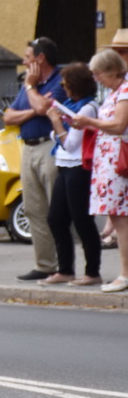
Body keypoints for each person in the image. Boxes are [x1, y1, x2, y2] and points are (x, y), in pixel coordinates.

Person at [2, 37, 68, 282]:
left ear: (40, 59)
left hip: (49, 146)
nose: (24, 61)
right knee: (33, 208)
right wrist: (32, 106)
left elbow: (45, 108)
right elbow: (8, 117)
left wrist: (31, 90)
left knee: (56, 209)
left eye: (28, 57)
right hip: (28, 148)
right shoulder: (30, 84)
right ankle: (44, 264)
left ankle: (65, 265)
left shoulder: (59, 81)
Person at [70, 49, 128, 292]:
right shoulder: (115, 92)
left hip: (117, 162)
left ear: (112, 70)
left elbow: (118, 125)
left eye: (98, 73)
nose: (96, 79)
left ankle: (125, 273)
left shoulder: (124, 91)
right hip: (108, 162)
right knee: (116, 217)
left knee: (120, 218)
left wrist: (90, 123)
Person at [44, 62, 102, 287]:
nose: (64, 87)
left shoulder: (87, 108)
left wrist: (57, 125)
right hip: (64, 166)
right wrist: (58, 130)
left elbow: (70, 143)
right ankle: (65, 269)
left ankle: (92, 271)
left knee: (82, 220)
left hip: (79, 167)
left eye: (67, 83)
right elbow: (58, 138)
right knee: (56, 218)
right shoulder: (70, 105)